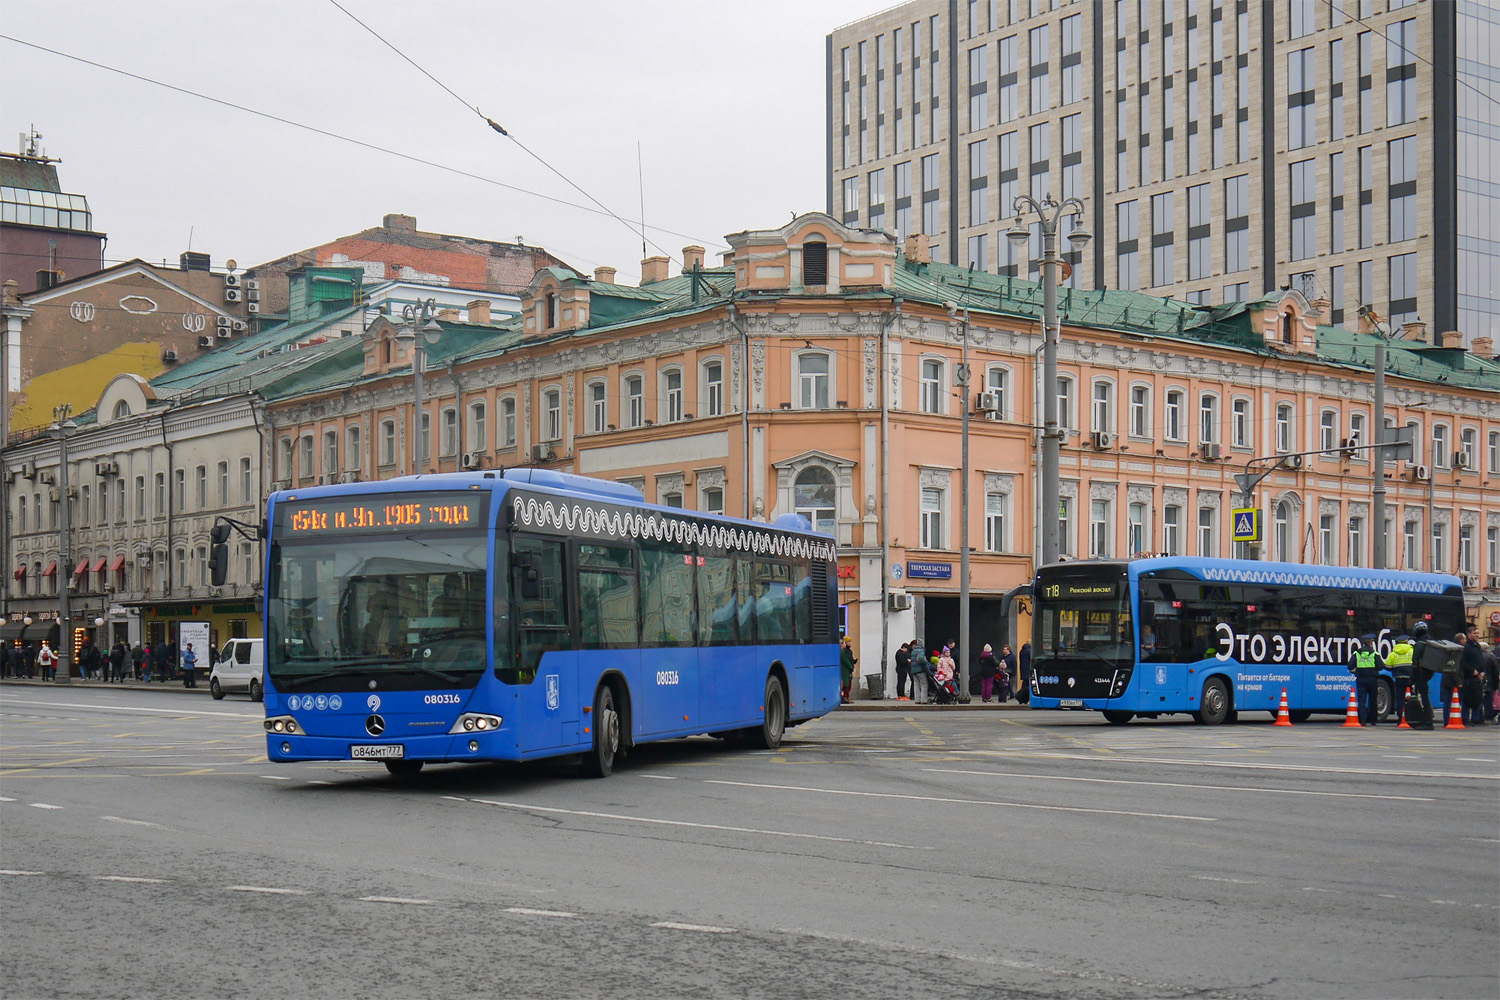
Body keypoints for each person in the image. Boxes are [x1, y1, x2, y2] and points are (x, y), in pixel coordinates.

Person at [1347, 634, 1384, 726]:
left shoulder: (1357, 653)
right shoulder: (1375, 654)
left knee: (1361, 700)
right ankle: (1373, 720)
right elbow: (1380, 666)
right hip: (1372, 680)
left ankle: (1362, 720)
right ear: (1371, 643)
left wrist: (1356, 672)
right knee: (1373, 700)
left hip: (1361, 679)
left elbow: (1350, 666)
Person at [1460, 626, 1486, 726]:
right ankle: (1465, 719)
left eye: (1478, 633)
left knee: (1478, 698)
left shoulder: (1478, 646)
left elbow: (1481, 661)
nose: (1477, 635)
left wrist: (1482, 671)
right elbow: (1463, 663)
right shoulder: (1466, 647)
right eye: (1475, 633)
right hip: (1468, 677)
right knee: (1467, 699)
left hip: (1478, 678)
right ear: (1469, 634)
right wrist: (1472, 671)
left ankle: (1476, 718)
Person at [1386, 634, 1414, 726]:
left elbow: (1388, 666)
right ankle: (1411, 717)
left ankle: (1400, 718)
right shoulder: (1412, 651)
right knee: (1411, 699)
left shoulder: (1393, 653)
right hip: (1410, 679)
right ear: (1407, 641)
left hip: (1399, 679)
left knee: (1400, 699)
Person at [908, 638, 929, 704]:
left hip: (914, 671)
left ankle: (917, 699)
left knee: (916, 685)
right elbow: (921, 658)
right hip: (920, 670)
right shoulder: (921, 650)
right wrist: (925, 662)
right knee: (924, 684)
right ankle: (923, 700)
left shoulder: (913, 651)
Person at [839, 636, 857, 704]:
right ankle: (844, 698)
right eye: (847, 642)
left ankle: (846, 697)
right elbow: (846, 661)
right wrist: (851, 667)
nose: (850, 643)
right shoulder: (842, 652)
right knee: (845, 685)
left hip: (847, 670)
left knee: (848, 684)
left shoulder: (848, 651)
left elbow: (849, 660)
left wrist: (853, 662)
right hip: (845, 670)